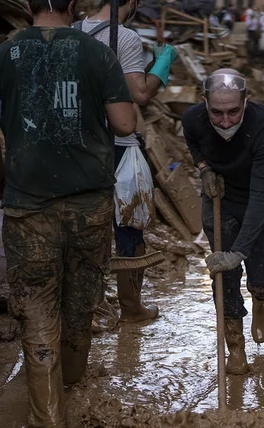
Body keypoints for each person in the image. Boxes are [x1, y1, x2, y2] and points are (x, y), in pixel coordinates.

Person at [0, 0, 136, 428]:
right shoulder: (97, 53)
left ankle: (48, 412)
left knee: (35, 302)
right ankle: (71, 376)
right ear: (73, 5)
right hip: (88, 201)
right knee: (81, 293)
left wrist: (1, 173)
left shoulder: (2, 55)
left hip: (27, 203)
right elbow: (124, 124)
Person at [77, 0, 178, 323]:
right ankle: (131, 307)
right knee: (129, 224)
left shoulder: (73, 30)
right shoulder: (125, 37)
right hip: (117, 143)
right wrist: (162, 65)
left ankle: (83, 310)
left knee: (82, 228)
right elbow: (140, 93)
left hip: (79, 144)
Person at [182, 69, 264, 375]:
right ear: (204, 103)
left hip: (261, 196)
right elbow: (194, 143)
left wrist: (239, 251)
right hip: (221, 198)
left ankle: (261, 298)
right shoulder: (191, 120)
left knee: (261, 270)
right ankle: (235, 347)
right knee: (223, 277)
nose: (225, 121)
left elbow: (263, 196)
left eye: (233, 112)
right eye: (216, 113)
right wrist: (204, 169)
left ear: (246, 101)